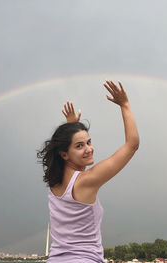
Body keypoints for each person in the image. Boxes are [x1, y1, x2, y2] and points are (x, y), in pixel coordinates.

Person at [38, 80, 139, 263]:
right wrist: (124, 105)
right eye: (80, 146)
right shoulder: (86, 181)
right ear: (64, 154)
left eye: (89, 142)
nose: (89, 149)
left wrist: (71, 127)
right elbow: (132, 144)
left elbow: (68, 155)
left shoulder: (54, 184)